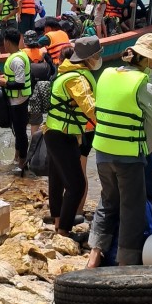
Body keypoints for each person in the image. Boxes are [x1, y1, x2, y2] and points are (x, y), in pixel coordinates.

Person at [87, 34, 152, 268]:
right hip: (129, 155)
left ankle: (95, 254)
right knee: (132, 209)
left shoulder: (107, 74)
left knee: (107, 202)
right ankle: (125, 262)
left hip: (101, 151)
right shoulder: (143, 84)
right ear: (149, 61)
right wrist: (147, 148)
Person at [45, 35, 101, 238]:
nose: (99, 58)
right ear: (89, 57)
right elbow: (91, 107)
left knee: (57, 181)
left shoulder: (66, 72)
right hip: (62, 135)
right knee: (76, 185)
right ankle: (64, 231)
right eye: (97, 55)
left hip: (53, 132)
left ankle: (59, 223)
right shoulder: (77, 78)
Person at [0, 27, 31, 172]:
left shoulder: (17, 59)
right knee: (18, 132)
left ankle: (22, 162)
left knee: (21, 133)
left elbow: (20, 83)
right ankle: (17, 157)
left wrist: (5, 83)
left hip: (19, 101)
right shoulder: (18, 55)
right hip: (15, 101)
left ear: (7, 41)